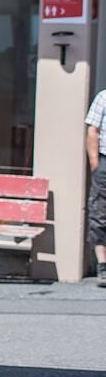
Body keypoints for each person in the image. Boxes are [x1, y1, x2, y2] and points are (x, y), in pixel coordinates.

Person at [84, 88, 106, 286]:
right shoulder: (104, 97)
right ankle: (103, 266)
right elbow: (93, 129)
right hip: (105, 162)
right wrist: (95, 164)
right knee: (100, 213)